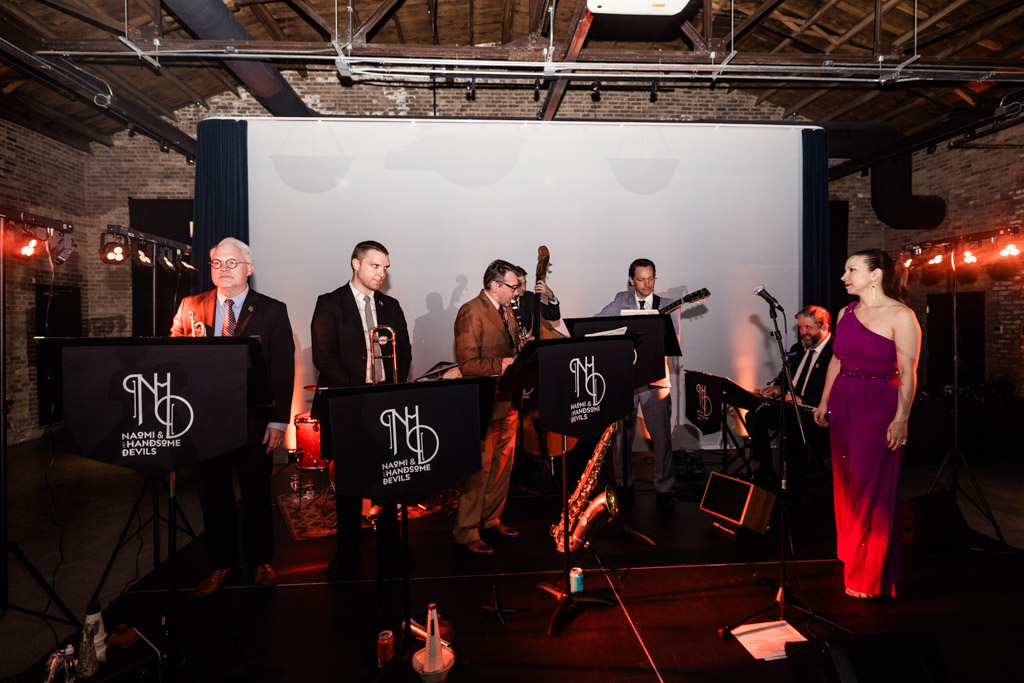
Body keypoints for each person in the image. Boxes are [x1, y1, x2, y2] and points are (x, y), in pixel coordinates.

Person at [171, 237, 295, 597]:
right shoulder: (190, 306)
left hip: (254, 420)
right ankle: (222, 563)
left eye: (231, 263)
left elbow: (282, 369)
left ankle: (260, 562)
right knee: (213, 495)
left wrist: (278, 421)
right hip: (204, 421)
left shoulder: (272, 310)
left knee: (256, 492)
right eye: (216, 262)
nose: (222, 269)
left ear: (249, 269)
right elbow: (174, 358)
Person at [813, 249, 921, 600]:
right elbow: (836, 361)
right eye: (845, 269)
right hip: (844, 401)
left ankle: (871, 573)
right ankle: (851, 555)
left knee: (870, 489)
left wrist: (901, 418)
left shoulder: (901, 315)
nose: (844, 276)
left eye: (852, 270)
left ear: (875, 275)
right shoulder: (847, 312)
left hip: (877, 405)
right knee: (846, 484)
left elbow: (909, 374)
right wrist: (825, 400)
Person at [311, 240, 412, 581]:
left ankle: (391, 548)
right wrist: (359, 392)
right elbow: (324, 358)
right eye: (375, 266)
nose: (381, 274)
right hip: (347, 403)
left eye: (385, 268)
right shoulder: (330, 303)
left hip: (385, 404)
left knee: (389, 479)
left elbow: (405, 352)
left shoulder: (391, 305)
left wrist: (389, 389)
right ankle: (347, 552)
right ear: (356, 264)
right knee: (350, 484)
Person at [452, 259, 522, 555]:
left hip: (509, 401)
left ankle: (490, 519)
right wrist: (503, 364)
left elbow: (511, 350)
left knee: (502, 468)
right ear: (495, 285)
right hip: (484, 403)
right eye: (514, 285)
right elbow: (467, 364)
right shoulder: (471, 311)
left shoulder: (507, 311)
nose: (518, 291)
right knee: (478, 472)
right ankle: (466, 531)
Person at [596, 258, 676, 512]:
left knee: (661, 435)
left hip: (655, 380)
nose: (647, 284)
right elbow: (597, 323)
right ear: (631, 280)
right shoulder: (621, 300)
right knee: (621, 435)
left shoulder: (667, 305)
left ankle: (664, 488)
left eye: (651, 278)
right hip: (626, 379)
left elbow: (674, 343)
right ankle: (623, 484)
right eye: (641, 279)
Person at [748, 305, 833, 487]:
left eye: (808, 328)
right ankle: (766, 470)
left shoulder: (835, 353)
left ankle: (792, 486)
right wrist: (779, 386)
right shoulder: (798, 348)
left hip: (817, 412)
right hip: (791, 408)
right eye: (800, 327)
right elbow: (785, 375)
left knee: (792, 428)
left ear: (824, 327)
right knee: (755, 415)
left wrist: (802, 400)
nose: (803, 332)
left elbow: (835, 390)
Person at [511, 265, 561, 337]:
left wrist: (551, 296)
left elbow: (554, 315)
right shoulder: (501, 300)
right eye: (519, 284)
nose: (524, 288)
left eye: (525, 283)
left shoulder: (528, 298)